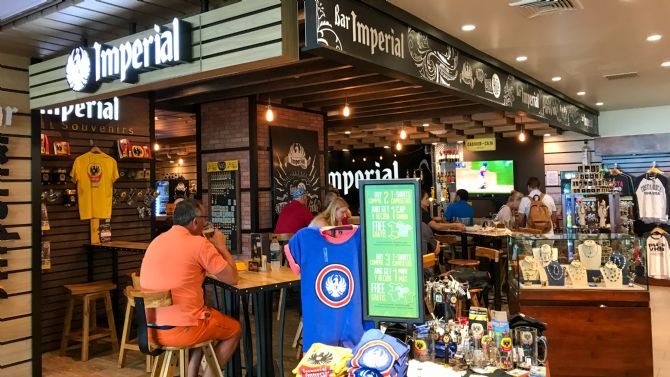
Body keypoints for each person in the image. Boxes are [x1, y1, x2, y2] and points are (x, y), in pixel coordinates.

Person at [140, 199, 241, 377]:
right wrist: (222, 247)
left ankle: (191, 372)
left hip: (150, 330)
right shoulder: (200, 244)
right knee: (234, 329)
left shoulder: (156, 241)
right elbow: (232, 278)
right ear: (195, 222)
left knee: (202, 314)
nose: (205, 223)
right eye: (204, 218)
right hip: (182, 330)